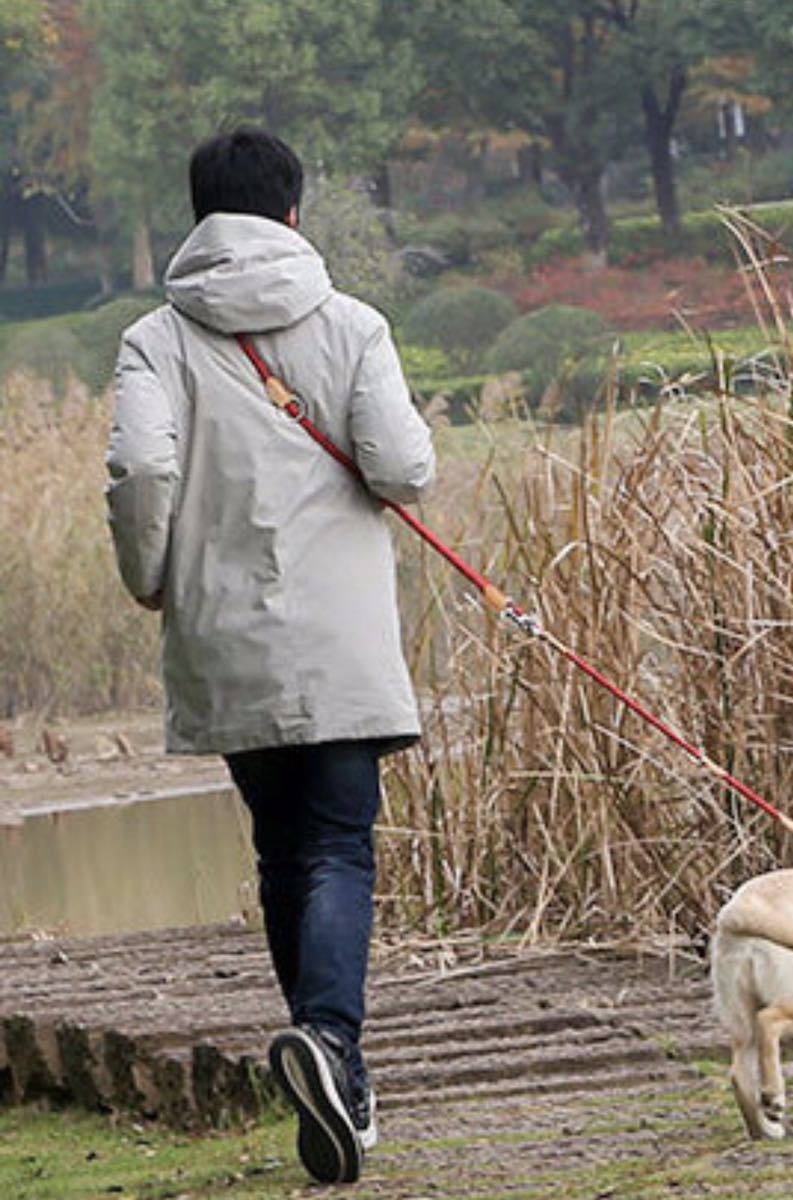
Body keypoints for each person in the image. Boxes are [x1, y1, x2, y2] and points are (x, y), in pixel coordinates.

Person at [105, 126, 436, 1186]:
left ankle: (331, 1080)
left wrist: (148, 576)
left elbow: (139, 471)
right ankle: (332, 1049)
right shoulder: (353, 325)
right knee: (339, 849)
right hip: (337, 635)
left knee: (281, 853)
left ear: (201, 215)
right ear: (292, 212)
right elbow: (399, 467)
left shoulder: (155, 341)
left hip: (222, 631)